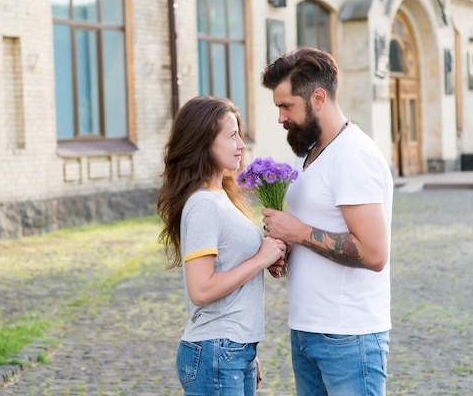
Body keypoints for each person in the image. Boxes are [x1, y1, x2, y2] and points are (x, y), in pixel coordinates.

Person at [260, 47, 394, 396]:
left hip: (348, 337)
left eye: (286, 106)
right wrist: (285, 250)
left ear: (318, 98)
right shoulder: (311, 154)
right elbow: (318, 229)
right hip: (307, 330)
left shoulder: (353, 155)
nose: (280, 118)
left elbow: (374, 253)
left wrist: (299, 232)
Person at [157, 95, 287, 396]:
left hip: (233, 350)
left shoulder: (220, 197)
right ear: (203, 142)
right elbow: (201, 290)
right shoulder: (203, 204)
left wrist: (247, 352)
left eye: (239, 134)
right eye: (231, 136)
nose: (241, 144)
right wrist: (260, 259)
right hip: (217, 351)